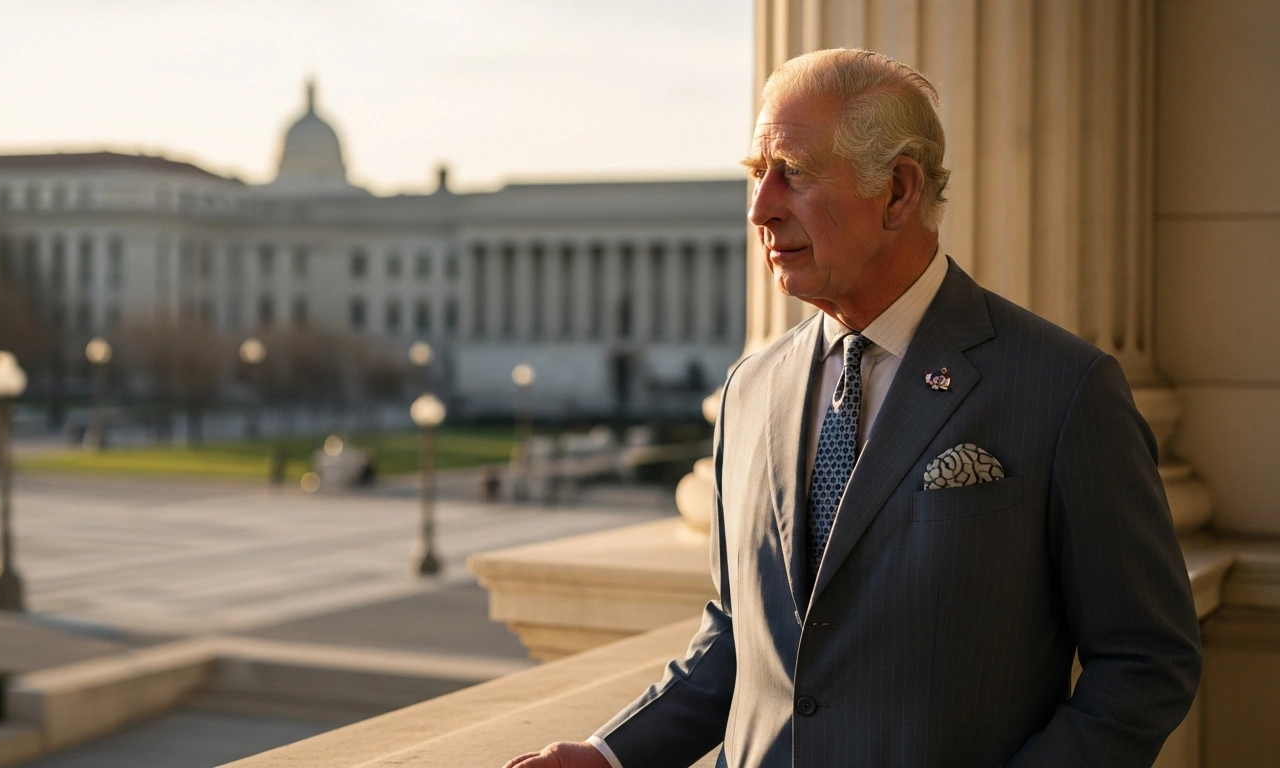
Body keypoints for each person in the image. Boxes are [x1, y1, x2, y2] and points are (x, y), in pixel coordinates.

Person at [505, 48, 1201, 768]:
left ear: (898, 192)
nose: (760, 209)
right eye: (756, 174)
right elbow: (746, 635)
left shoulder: (1063, 389)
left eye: (793, 173)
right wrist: (609, 756)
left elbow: (1147, 661)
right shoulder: (750, 390)